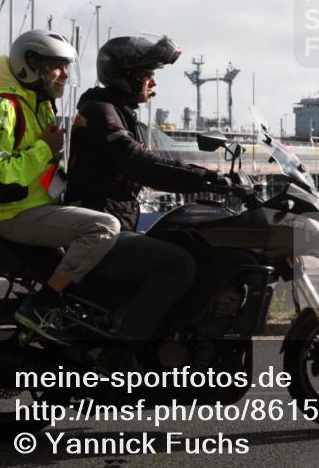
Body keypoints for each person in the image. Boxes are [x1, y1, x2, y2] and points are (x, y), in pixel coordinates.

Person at [0, 30, 120, 345]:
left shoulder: (39, 106)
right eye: (57, 65)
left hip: (38, 209)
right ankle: (42, 306)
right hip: (13, 213)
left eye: (67, 66)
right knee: (104, 227)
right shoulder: (3, 108)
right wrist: (42, 149)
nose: (65, 74)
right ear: (31, 65)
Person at [65, 35, 216, 342]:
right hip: (99, 230)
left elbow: (149, 161)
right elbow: (137, 163)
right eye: (148, 74)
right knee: (178, 264)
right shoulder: (101, 112)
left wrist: (209, 175)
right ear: (128, 74)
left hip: (114, 224)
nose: (153, 84)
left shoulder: (118, 112)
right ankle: (124, 350)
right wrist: (205, 180)